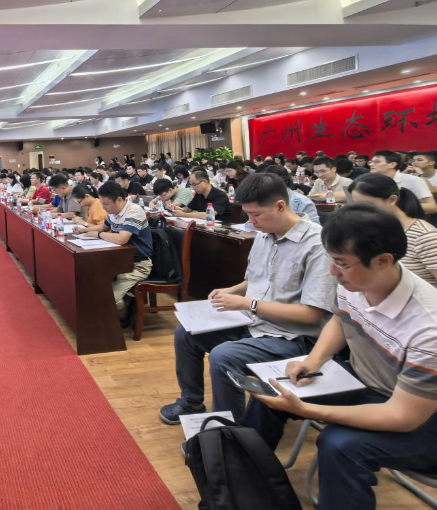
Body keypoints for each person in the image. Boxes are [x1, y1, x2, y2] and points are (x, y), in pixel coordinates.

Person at [240, 204, 437, 510]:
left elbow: (402, 417)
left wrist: (306, 409)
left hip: (422, 417)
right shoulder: (356, 282)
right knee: (272, 393)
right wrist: (314, 359)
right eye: (332, 260)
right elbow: (341, 319)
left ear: (384, 261)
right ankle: (240, 483)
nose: (334, 272)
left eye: (341, 263)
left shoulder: (428, 328)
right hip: (368, 384)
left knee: (340, 446)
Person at [159, 173, 335, 424]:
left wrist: (249, 303)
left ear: (280, 206)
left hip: (293, 337)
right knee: (185, 334)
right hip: (254, 322)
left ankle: (232, 430)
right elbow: (257, 281)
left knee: (223, 356)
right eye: (247, 215)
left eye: (256, 215)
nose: (251, 222)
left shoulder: (317, 245)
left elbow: (312, 315)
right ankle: (191, 402)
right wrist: (232, 290)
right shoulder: (264, 234)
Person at [75, 181, 153, 319]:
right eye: (102, 204)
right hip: (119, 261)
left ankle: (121, 320)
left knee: (110, 297)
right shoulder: (113, 211)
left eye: (106, 204)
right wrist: (84, 229)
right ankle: (119, 308)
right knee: (92, 282)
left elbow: (121, 239)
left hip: (137, 264)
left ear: (119, 199)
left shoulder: (133, 211)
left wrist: (99, 235)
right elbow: (103, 227)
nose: (103, 207)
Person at [349, 173, 437, 287]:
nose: (362, 211)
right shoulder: (370, 230)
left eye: (368, 205)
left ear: (392, 199)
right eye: (357, 205)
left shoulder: (424, 236)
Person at [370, 150, 436, 214]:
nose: (371, 164)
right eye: (370, 162)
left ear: (392, 164)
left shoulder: (412, 180)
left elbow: (432, 207)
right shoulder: (372, 181)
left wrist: (399, 205)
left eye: (377, 162)